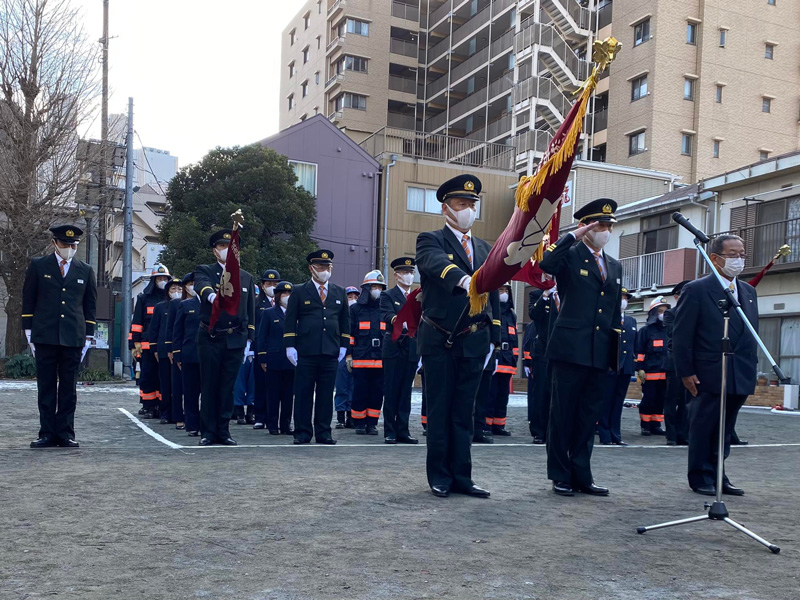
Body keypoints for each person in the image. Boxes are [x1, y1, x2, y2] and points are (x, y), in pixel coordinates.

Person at [415, 174, 500, 499]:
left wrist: (494, 335)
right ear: (446, 208)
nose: (468, 209)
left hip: (474, 339)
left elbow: (492, 293)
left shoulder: (483, 247)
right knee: (440, 408)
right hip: (440, 338)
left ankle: (462, 476)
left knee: (465, 410)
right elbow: (435, 265)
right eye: (462, 204)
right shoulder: (430, 239)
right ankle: (439, 475)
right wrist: (466, 281)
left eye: (472, 204)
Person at [539, 198, 622, 497]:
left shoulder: (614, 265)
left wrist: (616, 353)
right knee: (563, 414)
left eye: (609, 225)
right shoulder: (571, 255)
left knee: (589, 416)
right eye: (599, 225)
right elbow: (546, 264)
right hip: (570, 348)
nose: (605, 230)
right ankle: (560, 474)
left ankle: (582, 474)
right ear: (586, 226)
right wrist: (572, 235)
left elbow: (613, 313)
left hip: (599, 352)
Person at [674, 234, 756, 496]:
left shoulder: (748, 292)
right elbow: (682, 334)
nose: (739, 259)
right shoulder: (697, 289)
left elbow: (749, 333)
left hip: (739, 371)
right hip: (708, 370)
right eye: (732, 254)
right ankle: (700, 475)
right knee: (704, 425)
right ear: (715, 258)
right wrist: (686, 371)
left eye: (742, 254)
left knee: (725, 428)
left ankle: (718, 473)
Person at [23, 225, 96, 448]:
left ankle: (65, 432)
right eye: (65, 244)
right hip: (45, 334)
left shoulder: (85, 270)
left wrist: (89, 335)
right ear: (55, 243)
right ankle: (46, 433)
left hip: (73, 336)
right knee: (46, 386)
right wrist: (28, 330)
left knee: (68, 387)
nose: (70, 249)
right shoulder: (38, 265)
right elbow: (29, 298)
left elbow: (89, 306)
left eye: (73, 245)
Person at [194, 228, 256, 446]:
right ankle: (208, 432)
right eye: (222, 247)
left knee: (227, 387)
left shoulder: (246, 277)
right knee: (210, 385)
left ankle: (224, 430)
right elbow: (201, 285)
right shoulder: (205, 271)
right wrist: (212, 296)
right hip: (211, 336)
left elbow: (250, 310)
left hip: (235, 338)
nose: (227, 252)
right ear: (215, 251)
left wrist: (249, 339)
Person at [284, 249, 350, 445]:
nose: (325, 270)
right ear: (311, 268)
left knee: (325, 394)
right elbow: (290, 320)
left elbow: (344, 321)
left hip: (331, 350)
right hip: (306, 350)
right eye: (321, 267)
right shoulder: (299, 290)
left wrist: (344, 345)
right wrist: (290, 346)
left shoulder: (339, 291)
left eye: (328, 267)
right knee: (303, 393)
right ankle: (302, 432)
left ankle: (324, 432)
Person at [381, 257, 420, 444]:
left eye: (411, 272)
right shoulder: (387, 295)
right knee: (391, 390)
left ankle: (403, 430)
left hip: (412, 347)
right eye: (405, 272)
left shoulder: (419, 296)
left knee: (406, 392)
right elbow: (387, 315)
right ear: (396, 275)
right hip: (394, 346)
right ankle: (390, 430)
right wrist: (400, 320)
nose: (409, 276)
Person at [347, 270, 387, 435]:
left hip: (381, 360)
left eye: (380, 287)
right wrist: (349, 356)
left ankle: (372, 423)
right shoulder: (356, 309)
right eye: (374, 286)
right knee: (360, 392)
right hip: (361, 359)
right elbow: (350, 334)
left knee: (377, 394)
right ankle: (359, 422)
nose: (377, 290)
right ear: (367, 288)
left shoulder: (384, 309)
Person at [130, 265, 170, 418]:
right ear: (154, 280)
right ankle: (148, 405)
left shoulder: (171, 298)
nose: (162, 281)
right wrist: (134, 343)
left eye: (165, 279)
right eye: (159, 279)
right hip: (146, 346)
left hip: (164, 345)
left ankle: (162, 405)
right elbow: (137, 322)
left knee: (163, 378)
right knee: (147, 376)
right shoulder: (144, 298)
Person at [598, 288, 636, 446]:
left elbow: (634, 345)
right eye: (621, 297)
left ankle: (616, 434)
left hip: (626, 367)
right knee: (606, 401)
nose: (623, 300)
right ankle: (605, 435)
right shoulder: (605, 318)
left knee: (618, 402)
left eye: (626, 298)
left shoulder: (631, 321)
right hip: (610, 366)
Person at [257, 281, 295, 435]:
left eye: (290, 294)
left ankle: (285, 425)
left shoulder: (295, 314)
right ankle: (272, 424)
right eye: (284, 294)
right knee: (273, 394)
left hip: (291, 361)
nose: (287, 297)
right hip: (273, 359)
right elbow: (262, 337)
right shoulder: (268, 313)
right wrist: (262, 358)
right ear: (278, 296)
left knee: (288, 395)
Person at [149, 277, 184, 424]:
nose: (176, 292)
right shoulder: (160, 307)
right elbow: (154, 329)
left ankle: (179, 413)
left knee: (179, 385)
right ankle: (165, 412)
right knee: (165, 383)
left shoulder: (186, 305)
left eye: (179, 289)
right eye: (173, 289)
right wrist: (154, 348)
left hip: (180, 351)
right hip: (163, 350)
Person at [634, 296, 670, 436]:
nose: (663, 314)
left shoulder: (669, 330)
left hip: (665, 373)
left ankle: (656, 425)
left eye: (665, 311)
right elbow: (640, 351)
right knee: (648, 399)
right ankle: (645, 425)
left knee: (661, 400)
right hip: (650, 373)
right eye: (660, 311)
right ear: (654, 313)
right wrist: (640, 369)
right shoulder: (646, 331)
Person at [528, 282, 558, 444]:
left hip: (562, 350)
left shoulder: (567, 291)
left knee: (558, 393)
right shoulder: (537, 294)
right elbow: (534, 314)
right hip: (543, 350)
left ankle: (554, 431)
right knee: (541, 392)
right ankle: (539, 431)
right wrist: (545, 295)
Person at [173, 273, 202, 436]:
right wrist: (178, 355)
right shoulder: (185, 305)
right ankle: (192, 425)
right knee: (190, 393)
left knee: (207, 394)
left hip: (208, 356)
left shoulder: (212, 305)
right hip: (189, 354)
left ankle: (206, 424)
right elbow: (178, 332)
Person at [487, 283, 518, 436]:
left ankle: (499, 425)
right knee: (490, 394)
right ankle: (486, 424)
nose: (504, 293)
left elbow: (515, 340)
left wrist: (515, 358)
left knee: (503, 396)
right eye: (500, 290)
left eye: (506, 291)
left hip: (508, 361)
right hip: (495, 358)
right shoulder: (492, 310)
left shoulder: (512, 315)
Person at [252, 269, 280, 429]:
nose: (272, 287)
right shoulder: (256, 303)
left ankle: (273, 418)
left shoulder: (283, 302)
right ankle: (260, 416)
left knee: (276, 386)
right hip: (261, 347)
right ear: (262, 286)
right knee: (261, 384)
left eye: (275, 284)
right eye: (269, 284)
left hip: (278, 349)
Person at [663, 281, 690, 446]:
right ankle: (671, 434)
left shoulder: (695, 312)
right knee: (672, 399)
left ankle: (683, 433)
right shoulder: (670, 314)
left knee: (686, 401)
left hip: (690, 361)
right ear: (676, 296)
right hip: (674, 361)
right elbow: (673, 333)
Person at [165, 275, 189, 430]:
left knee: (193, 388)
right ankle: (178, 416)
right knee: (177, 385)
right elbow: (171, 329)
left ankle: (192, 415)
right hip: (179, 348)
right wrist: (171, 349)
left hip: (197, 350)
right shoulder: (176, 304)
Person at [334, 286, 360, 429]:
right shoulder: (339, 315)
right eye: (349, 297)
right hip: (341, 354)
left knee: (353, 387)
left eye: (355, 297)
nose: (353, 300)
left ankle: (351, 416)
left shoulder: (359, 314)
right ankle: (340, 417)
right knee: (342, 386)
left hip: (357, 355)